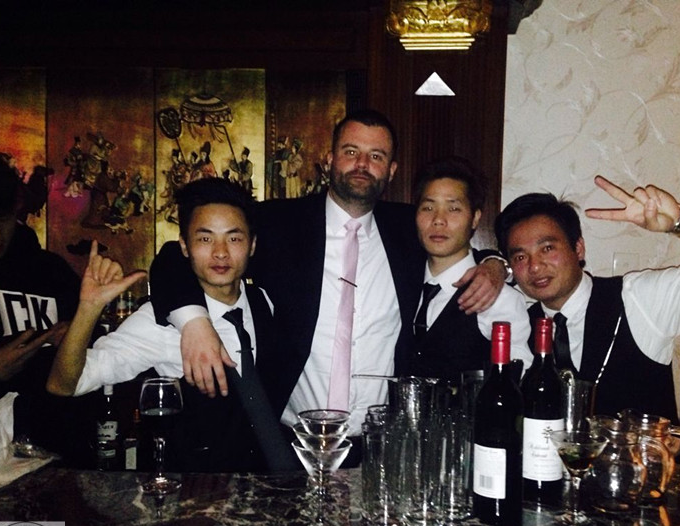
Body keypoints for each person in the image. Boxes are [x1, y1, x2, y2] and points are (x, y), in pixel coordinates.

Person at [149, 109, 506, 437]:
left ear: (391, 170)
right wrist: (194, 324)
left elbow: (458, 247)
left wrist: (495, 264)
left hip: (381, 440)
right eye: (351, 152)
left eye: (376, 156)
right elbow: (175, 256)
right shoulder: (278, 223)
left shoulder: (408, 229)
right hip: (292, 439)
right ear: (329, 159)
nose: (362, 164)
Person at [46, 177, 295, 472]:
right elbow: (64, 385)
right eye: (205, 239)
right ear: (184, 247)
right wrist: (88, 309)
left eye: (234, 238)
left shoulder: (265, 301)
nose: (220, 252)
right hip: (195, 490)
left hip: (269, 485)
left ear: (251, 245)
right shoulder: (158, 321)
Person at [495, 176, 680, 422]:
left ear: (578, 248)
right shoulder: (519, 328)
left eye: (547, 248)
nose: (534, 266)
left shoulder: (638, 298)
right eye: (520, 257)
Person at [0, 149, 91, 458]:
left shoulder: (50, 271)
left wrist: (76, 337)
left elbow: (94, 359)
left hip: (55, 455)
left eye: (3, 219)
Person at [406, 156, 533, 381]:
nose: (438, 220)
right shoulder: (403, 280)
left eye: (453, 208)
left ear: (475, 218)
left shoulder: (498, 298)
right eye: (428, 207)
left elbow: (517, 379)